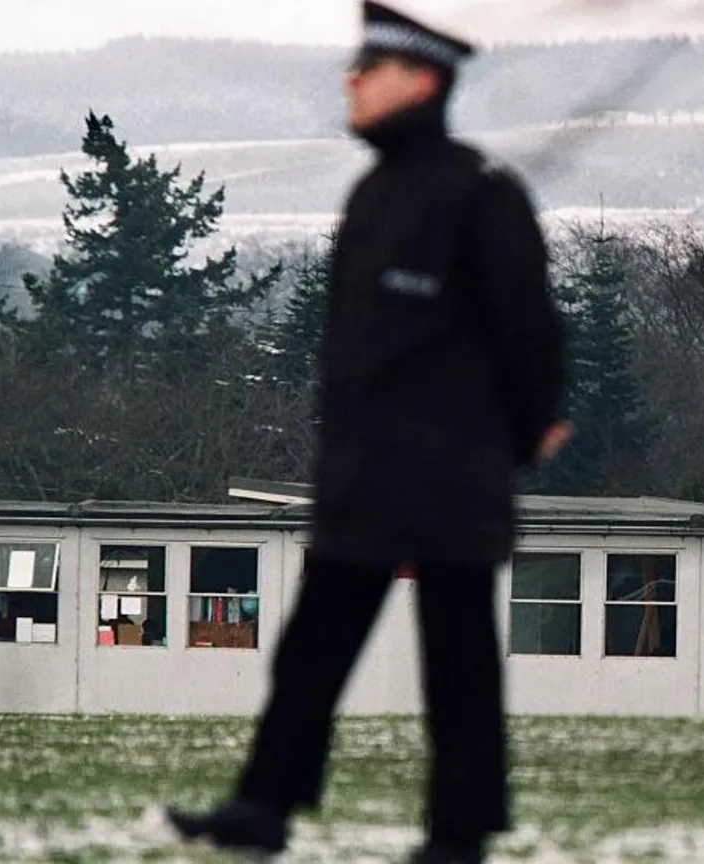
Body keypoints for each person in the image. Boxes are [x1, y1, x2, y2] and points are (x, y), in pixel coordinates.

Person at [163, 3, 571, 863]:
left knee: (458, 663)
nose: (349, 80)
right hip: (365, 473)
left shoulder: (481, 193)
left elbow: (529, 326)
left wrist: (535, 424)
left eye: (369, 67)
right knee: (310, 654)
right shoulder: (375, 192)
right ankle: (263, 807)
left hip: (453, 474)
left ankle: (458, 834)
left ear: (420, 81)